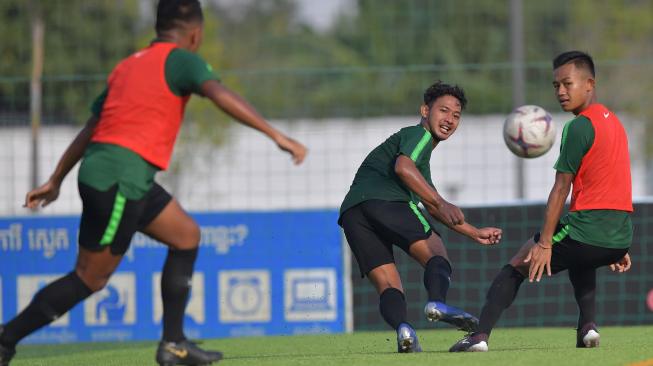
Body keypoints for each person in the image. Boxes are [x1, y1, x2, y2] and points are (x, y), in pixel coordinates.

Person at [0, 1, 306, 365]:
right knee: (90, 278)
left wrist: (56, 179)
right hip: (120, 178)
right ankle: (6, 339)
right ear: (195, 33)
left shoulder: (129, 65)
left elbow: (92, 128)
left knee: (186, 235)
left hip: (122, 174)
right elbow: (220, 94)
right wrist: (276, 135)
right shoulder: (180, 58)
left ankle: (173, 344)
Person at [450, 50, 633, 353]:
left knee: (516, 265)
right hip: (620, 235)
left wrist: (544, 243)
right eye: (556, 86)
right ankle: (587, 327)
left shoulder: (578, 127)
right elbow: (616, 183)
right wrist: (614, 243)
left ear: (590, 84)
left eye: (567, 83)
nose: (561, 91)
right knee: (582, 258)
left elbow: (560, 189)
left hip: (590, 230)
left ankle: (479, 336)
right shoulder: (614, 122)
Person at [338, 81, 502, 353]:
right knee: (437, 252)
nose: (449, 119)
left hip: (353, 212)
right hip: (386, 200)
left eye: (456, 115)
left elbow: (435, 208)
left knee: (388, 283)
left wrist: (474, 232)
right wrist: (441, 200)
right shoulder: (418, 136)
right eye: (443, 111)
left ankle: (404, 329)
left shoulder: (419, 165)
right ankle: (436, 302)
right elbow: (404, 169)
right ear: (425, 111)